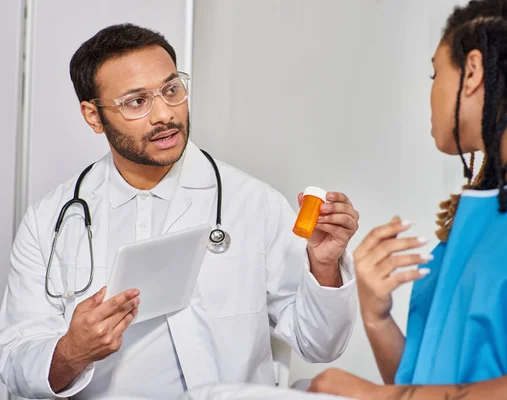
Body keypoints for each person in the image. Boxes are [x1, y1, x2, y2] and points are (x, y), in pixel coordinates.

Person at [0, 24, 360, 399]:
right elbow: (14, 362)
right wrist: (70, 353)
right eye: (136, 102)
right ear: (93, 116)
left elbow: (320, 345)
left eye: (172, 90)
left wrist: (324, 266)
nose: (165, 115)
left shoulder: (254, 203)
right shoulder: (49, 221)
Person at [309, 0, 507, 398]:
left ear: (473, 72)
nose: (431, 92)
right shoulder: (480, 208)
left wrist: (376, 396)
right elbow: (426, 386)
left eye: (435, 73)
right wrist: (377, 316)